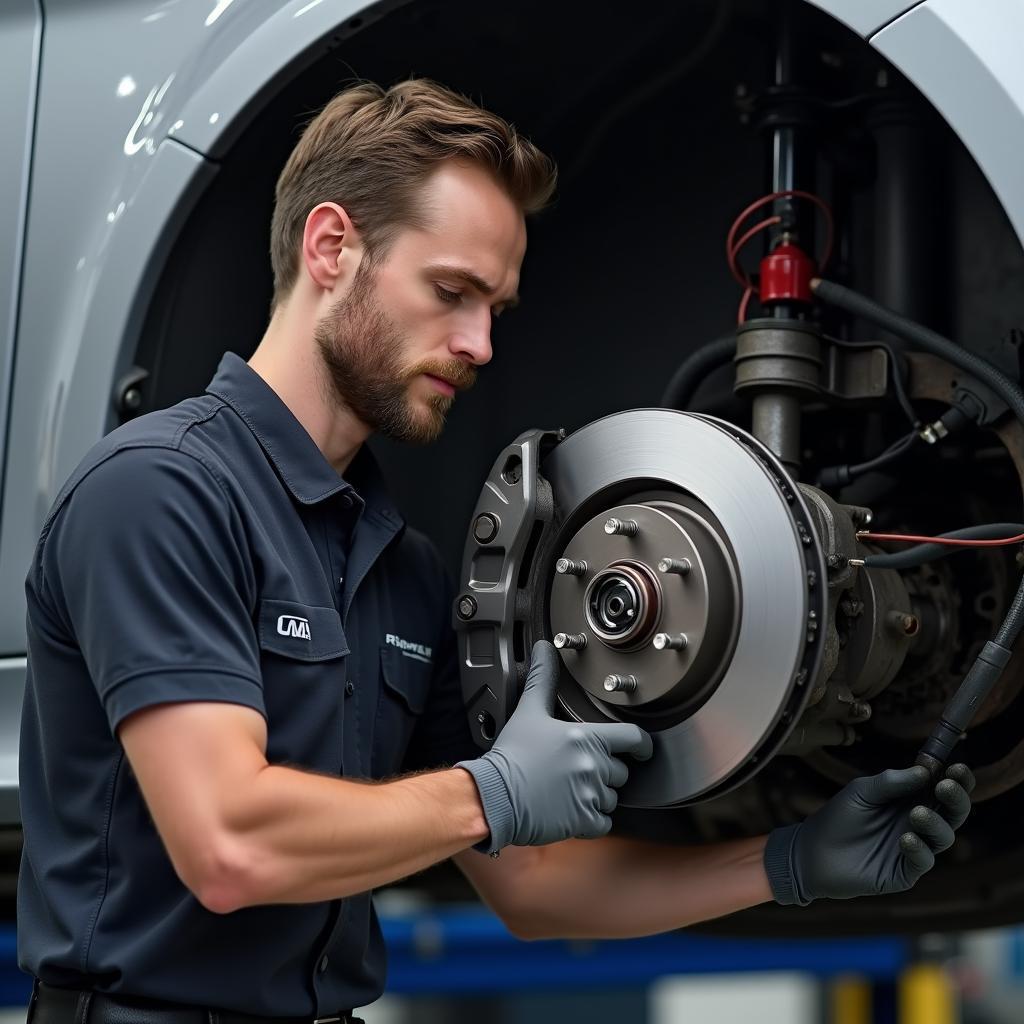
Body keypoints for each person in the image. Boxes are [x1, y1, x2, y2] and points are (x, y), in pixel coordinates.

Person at [18, 78, 974, 1024]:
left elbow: (533, 885)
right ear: (331, 247)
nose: (478, 344)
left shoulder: (403, 569)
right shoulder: (162, 491)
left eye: (496, 310)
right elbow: (231, 846)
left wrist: (787, 864)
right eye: (451, 292)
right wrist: (492, 791)